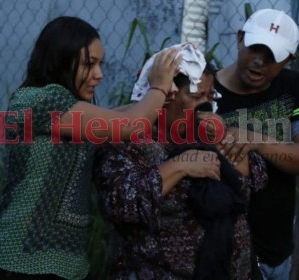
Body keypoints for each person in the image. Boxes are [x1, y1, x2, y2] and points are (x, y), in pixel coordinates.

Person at [0, 16, 180, 280]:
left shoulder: (65, 110)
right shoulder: (41, 98)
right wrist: (158, 86)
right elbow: (131, 124)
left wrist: (155, 98)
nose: (99, 74)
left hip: (57, 264)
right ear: (61, 60)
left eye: (100, 64)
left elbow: (115, 118)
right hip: (18, 261)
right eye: (89, 64)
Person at [94, 44, 268, 279]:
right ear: (165, 96)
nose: (205, 106)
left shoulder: (209, 132)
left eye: (209, 96)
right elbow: (122, 204)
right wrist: (181, 164)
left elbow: (257, 175)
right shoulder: (126, 142)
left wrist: (220, 146)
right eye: (196, 97)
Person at [213, 9, 299, 280]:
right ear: (240, 39)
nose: (259, 61)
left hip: (276, 254)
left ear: (288, 59)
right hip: (220, 255)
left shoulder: (296, 88)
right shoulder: (205, 94)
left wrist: (254, 140)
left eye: (272, 55)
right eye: (255, 48)